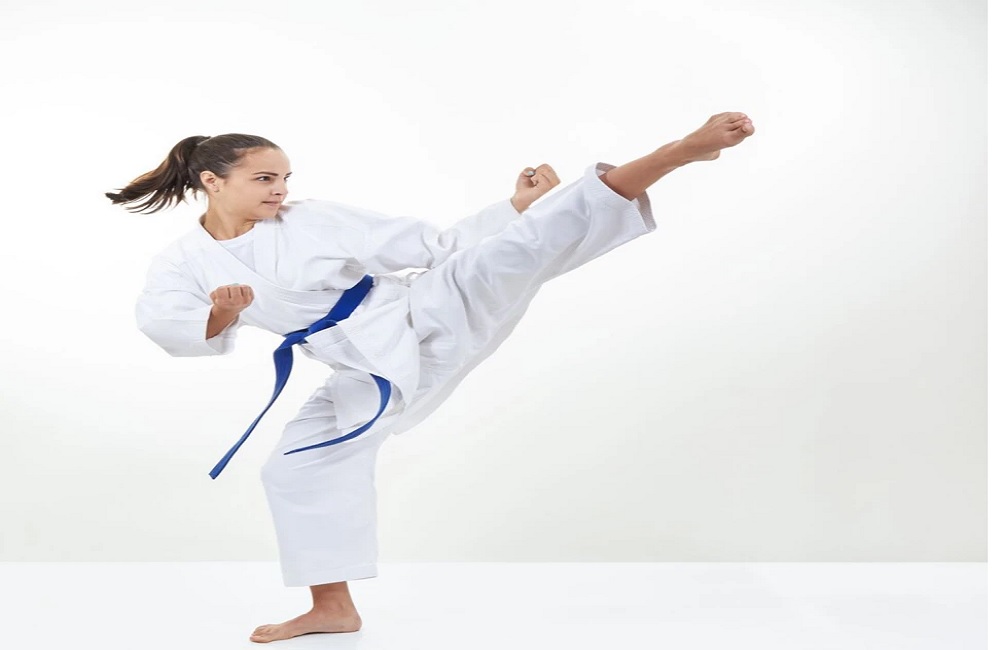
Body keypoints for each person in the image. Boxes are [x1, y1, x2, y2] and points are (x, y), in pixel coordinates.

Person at [106, 112, 754, 644]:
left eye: (284, 177)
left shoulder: (311, 218)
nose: (280, 189)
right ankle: (333, 607)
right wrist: (220, 314)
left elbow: (434, 247)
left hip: (428, 309)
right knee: (294, 469)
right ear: (213, 182)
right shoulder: (183, 262)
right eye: (264, 178)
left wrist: (516, 206)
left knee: (521, 246)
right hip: (361, 368)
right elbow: (163, 322)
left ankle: (676, 152)